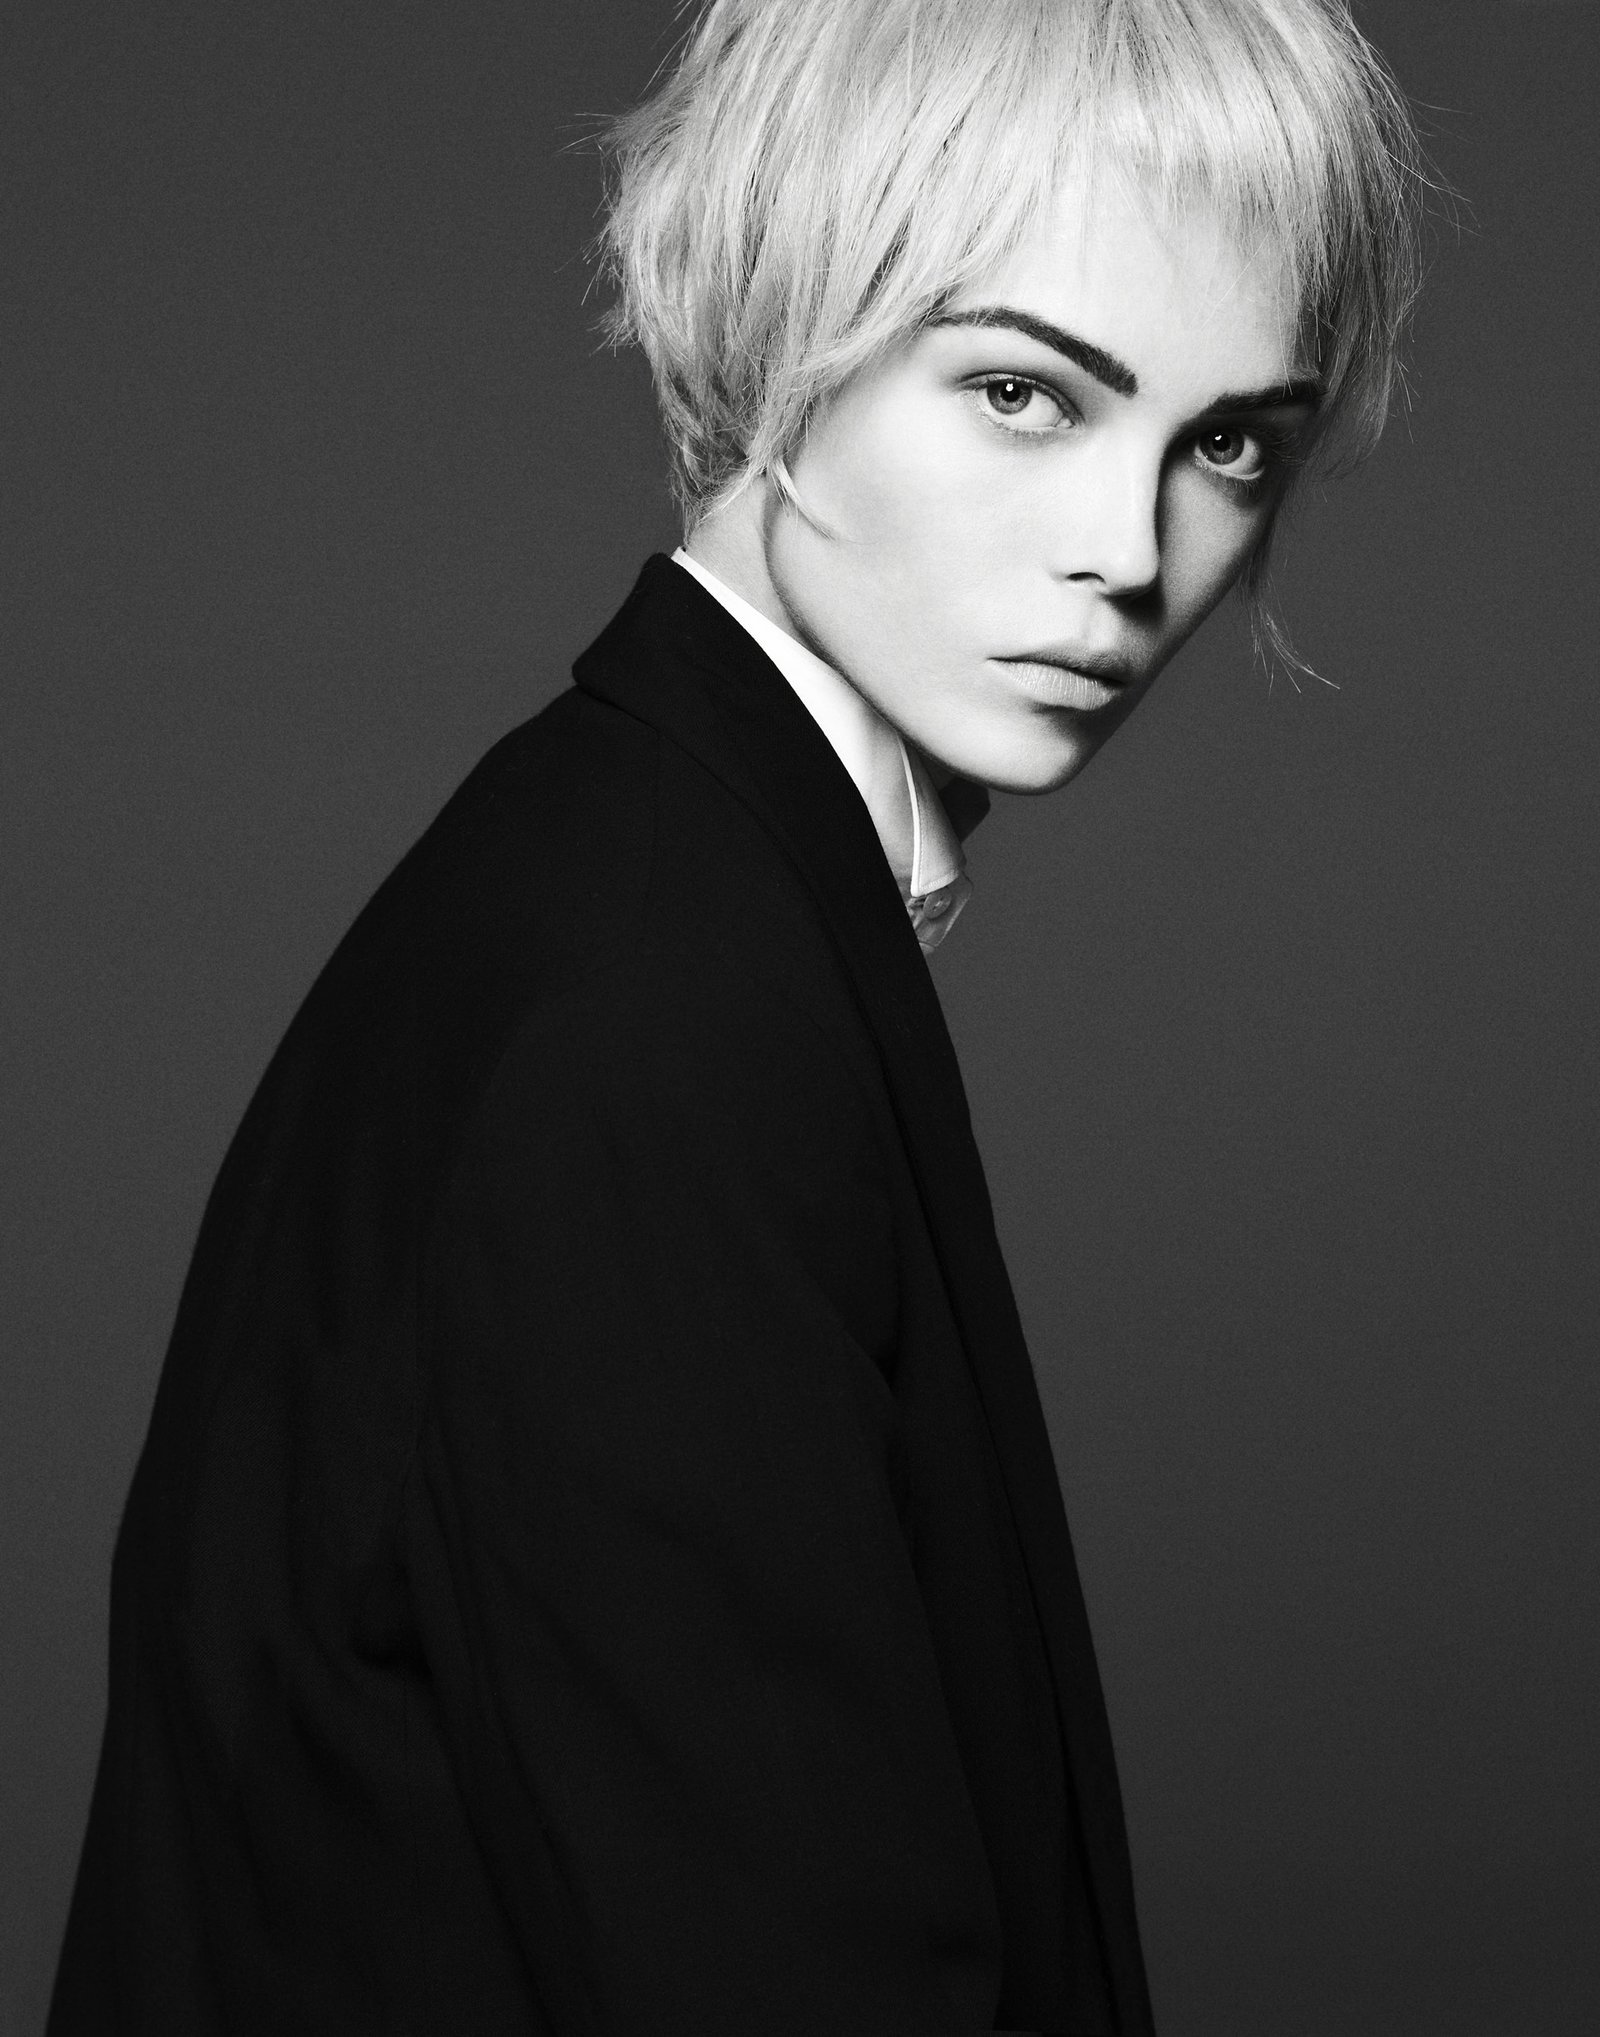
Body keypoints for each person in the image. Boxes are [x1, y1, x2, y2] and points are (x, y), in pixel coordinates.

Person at [49, 1, 1425, 2031]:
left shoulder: (657, 878)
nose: (1128, 552)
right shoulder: (654, 1006)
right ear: (780, 329)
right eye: (1024, 393)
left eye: (1226, 443)